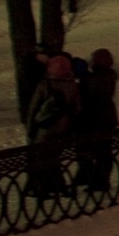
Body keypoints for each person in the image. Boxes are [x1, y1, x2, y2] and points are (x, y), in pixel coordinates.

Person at [24, 54, 80, 198]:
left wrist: (30, 129)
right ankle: (57, 186)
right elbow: (77, 109)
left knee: (40, 159)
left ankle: (41, 188)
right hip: (64, 129)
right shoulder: (72, 85)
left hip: (45, 129)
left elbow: (33, 109)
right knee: (54, 158)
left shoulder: (44, 85)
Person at [75, 48, 119, 192]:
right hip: (106, 118)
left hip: (95, 119)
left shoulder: (98, 78)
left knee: (95, 150)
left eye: (94, 59)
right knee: (102, 150)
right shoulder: (109, 75)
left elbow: (92, 90)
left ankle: (97, 180)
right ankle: (93, 178)